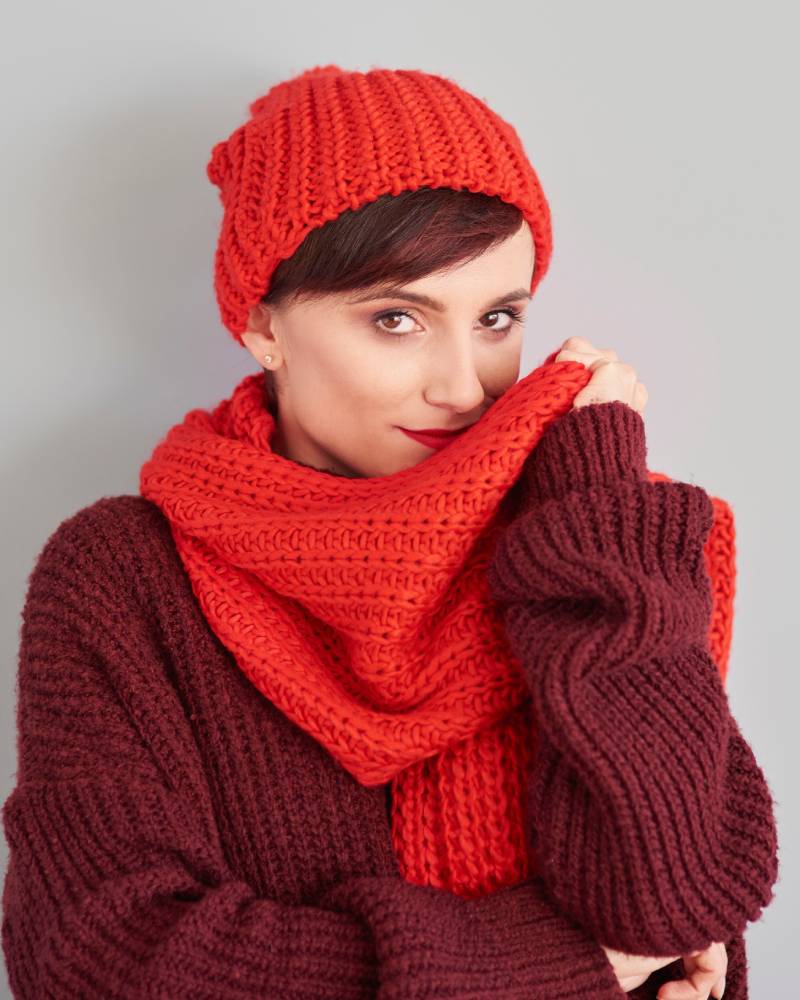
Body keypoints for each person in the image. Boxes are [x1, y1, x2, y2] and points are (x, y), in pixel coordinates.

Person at [1, 64, 778, 999]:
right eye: (397, 318)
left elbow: (672, 906)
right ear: (262, 325)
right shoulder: (126, 576)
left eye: (498, 318)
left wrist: (593, 514)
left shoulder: (599, 546)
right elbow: (101, 958)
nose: (465, 386)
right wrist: (550, 967)